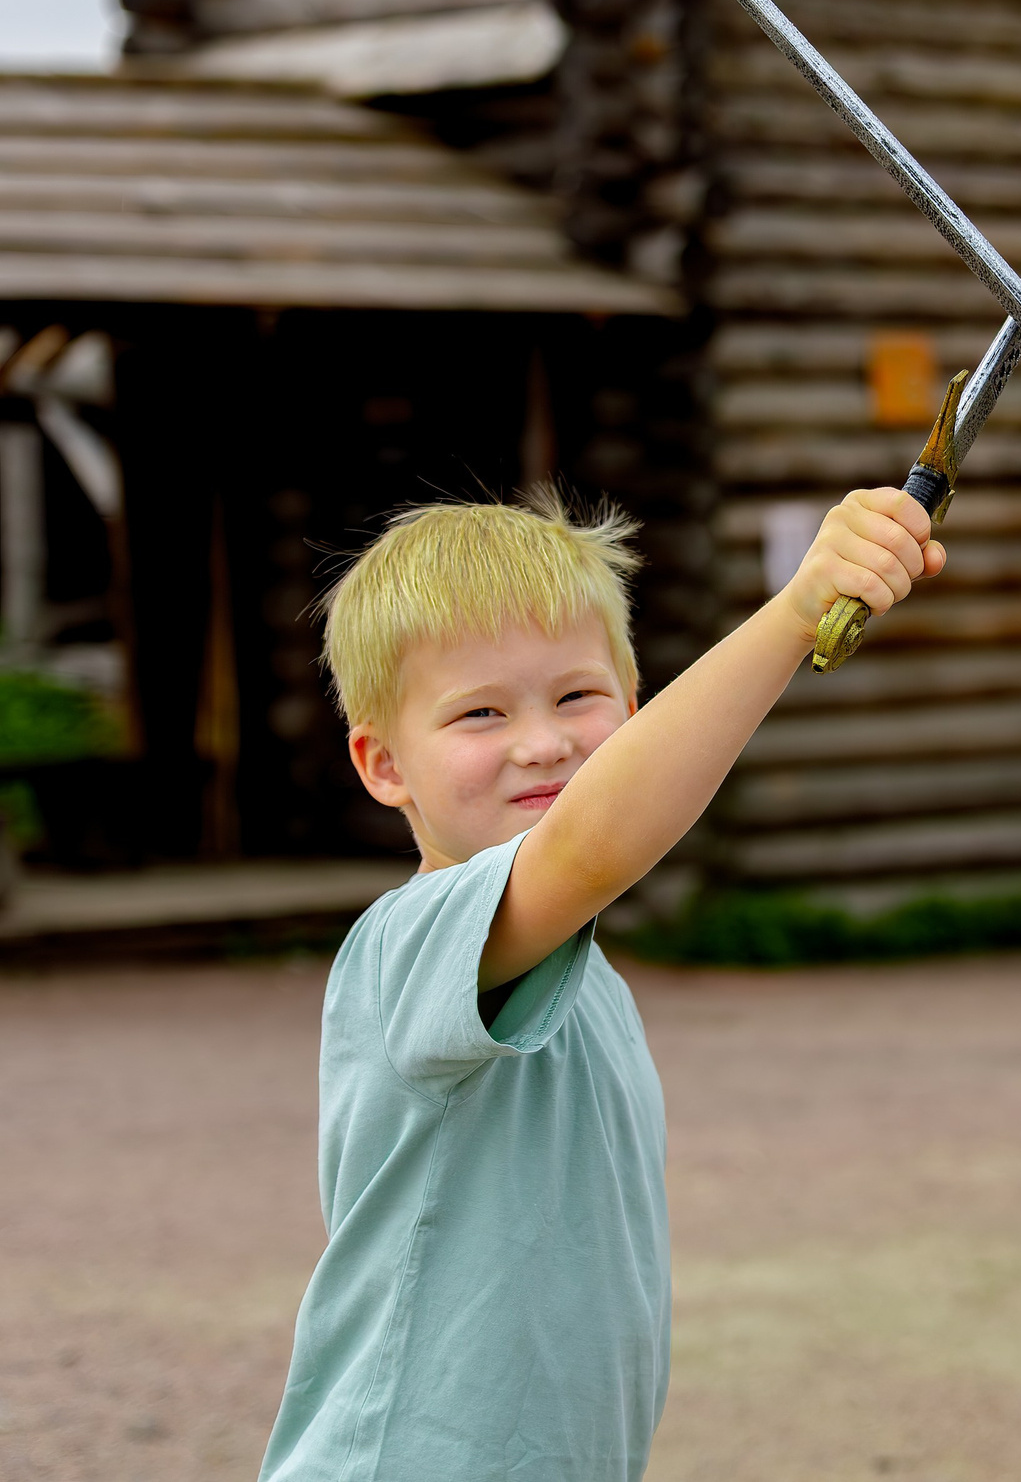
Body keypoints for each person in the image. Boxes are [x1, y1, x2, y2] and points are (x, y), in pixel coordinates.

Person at [258, 485, 943, 1482]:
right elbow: (593, 844)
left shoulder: (580, 973)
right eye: (480, 712)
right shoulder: (409, 943)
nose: (542, 742)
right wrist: (795, 616)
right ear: (382, 763)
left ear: (632, 702)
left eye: (576, 697)